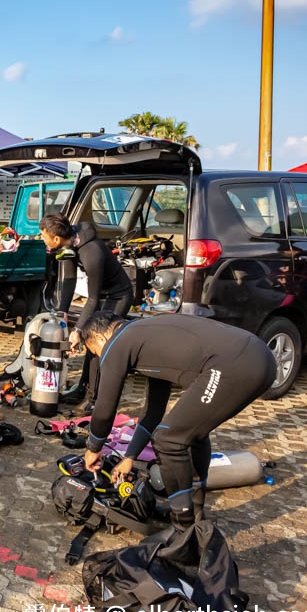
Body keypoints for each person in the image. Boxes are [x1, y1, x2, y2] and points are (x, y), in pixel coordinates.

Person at [79, 311, 276, 530]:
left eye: (95, 352)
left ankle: (182, 528)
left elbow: (105, 410)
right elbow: (153, 412)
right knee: (190, 434)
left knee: (168, 440)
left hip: (234, 363)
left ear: (98, 337)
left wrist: (94, 446)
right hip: (259, 355)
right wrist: (130, 457)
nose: (100, 357)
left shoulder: (117, 343)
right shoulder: (146, 337)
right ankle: (195, 515)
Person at [39, 213, 133, 413]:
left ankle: (94, 399)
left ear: (55, 238)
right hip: (100, 296)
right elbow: (69, 280)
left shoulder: (92, 252)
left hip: (117, 297)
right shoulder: (68, 245)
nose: (42, 239)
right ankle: (82, 390)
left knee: (96, 346)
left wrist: (79, 329)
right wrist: (63, 310)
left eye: (43, 235)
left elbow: (92, 298)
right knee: (89, 346)